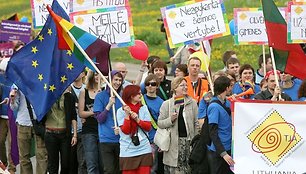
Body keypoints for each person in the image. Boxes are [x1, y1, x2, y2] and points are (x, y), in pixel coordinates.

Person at [158, 77, 199, 174]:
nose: (185, 87)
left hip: (189, 143)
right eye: (182, 85)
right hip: (173, 145)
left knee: (189, 169)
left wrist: (196, 140)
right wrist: (170, 120)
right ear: (175, 88)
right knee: (175, 170)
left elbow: (196, 123)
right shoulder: (167, 104)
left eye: (186, 85)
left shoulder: (192, 103)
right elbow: (160, 123)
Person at [10, 85, 48, 174]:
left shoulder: (41, 80)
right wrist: (12, 99)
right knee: (24, 157)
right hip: (23, 123)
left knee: (42, 155)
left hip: (39, 123)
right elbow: (14, 107)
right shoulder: (17, 83)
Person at [117, 85, 153, 173]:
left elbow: (148, 127)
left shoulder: (143, 108)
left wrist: (138, 120)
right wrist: (127, 115)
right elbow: (125, 131)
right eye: (139, 93)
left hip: (144, 148)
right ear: (131, 96)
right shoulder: (120, 111)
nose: (141, 95)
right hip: (128, 150)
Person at [93, 70, 123, 174]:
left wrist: (122, 129)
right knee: (109, 170)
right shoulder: (100, 96)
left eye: (120, 80)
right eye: (115, 79)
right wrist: (109, 105)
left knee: (120, 170)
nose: (118, 82)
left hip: (121, 140)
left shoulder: (122, 97)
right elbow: (100, 119)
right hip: (106, 139)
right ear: (109, 80)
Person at [44, 90, 78, 174]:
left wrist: (75, 135)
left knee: (66, 163)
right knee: (53, 164)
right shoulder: (47, 95)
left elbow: (73, 116)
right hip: (50, 132)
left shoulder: (69, 97)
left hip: (65, 134)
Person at [207, 76, 234, 174]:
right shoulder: (214, 107)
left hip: (228, 147)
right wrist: (223, 154)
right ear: (226, 88)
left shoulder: (226, 102)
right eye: (230, 86)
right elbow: (213, 132)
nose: (231, 88)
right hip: (219, 152)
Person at [78, 70, 101, 174]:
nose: (97, 76)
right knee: (91, 163)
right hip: (89, 130)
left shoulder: (104, 91)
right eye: (95, 74)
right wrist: (93, 113)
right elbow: (81, 113)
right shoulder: (84, 91)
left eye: (99, 74)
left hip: (102, 130)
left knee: (102, 163)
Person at [142, 74, 164, 174]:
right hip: (140, 139)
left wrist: (161, 142)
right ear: (145, 86)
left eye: (153, 84)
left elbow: (163, 124)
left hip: (153, 140)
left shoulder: (162, 103)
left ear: (157, 86)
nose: (150, 86)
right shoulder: (139, 99)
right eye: (148, 84)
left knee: (151, 169)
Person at [69, 71, 87, 174]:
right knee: (70, 161)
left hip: (83, 130)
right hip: (70, 130)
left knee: (82, 161)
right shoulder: (67, 88)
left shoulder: (86, 89)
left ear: (83, 74)